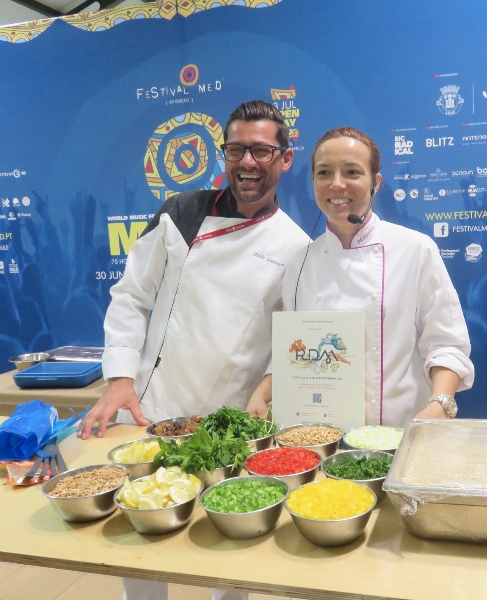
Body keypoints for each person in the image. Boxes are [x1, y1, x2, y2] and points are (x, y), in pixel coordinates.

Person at [77, 100, 309, 600]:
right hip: (154, 409)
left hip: (230, 423)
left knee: (229, 549)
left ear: (285, 158)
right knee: (141, 539)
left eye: (262, 151)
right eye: (236, 149)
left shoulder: (296, 245)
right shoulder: (180, 213)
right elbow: (131, 296)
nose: (247, 162)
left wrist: (267, 395)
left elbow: (292, 337)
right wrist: (120, 378)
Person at [248, 126, 474, 423]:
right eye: (324, 173)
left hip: (403, 432)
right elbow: (297, 350)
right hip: (324, 437)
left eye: (352, 172)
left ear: (375, 183)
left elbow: (446, 345)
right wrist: (264, 392)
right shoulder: (301, 263)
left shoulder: (415, 250)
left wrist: (441, 405)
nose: (336, 184)